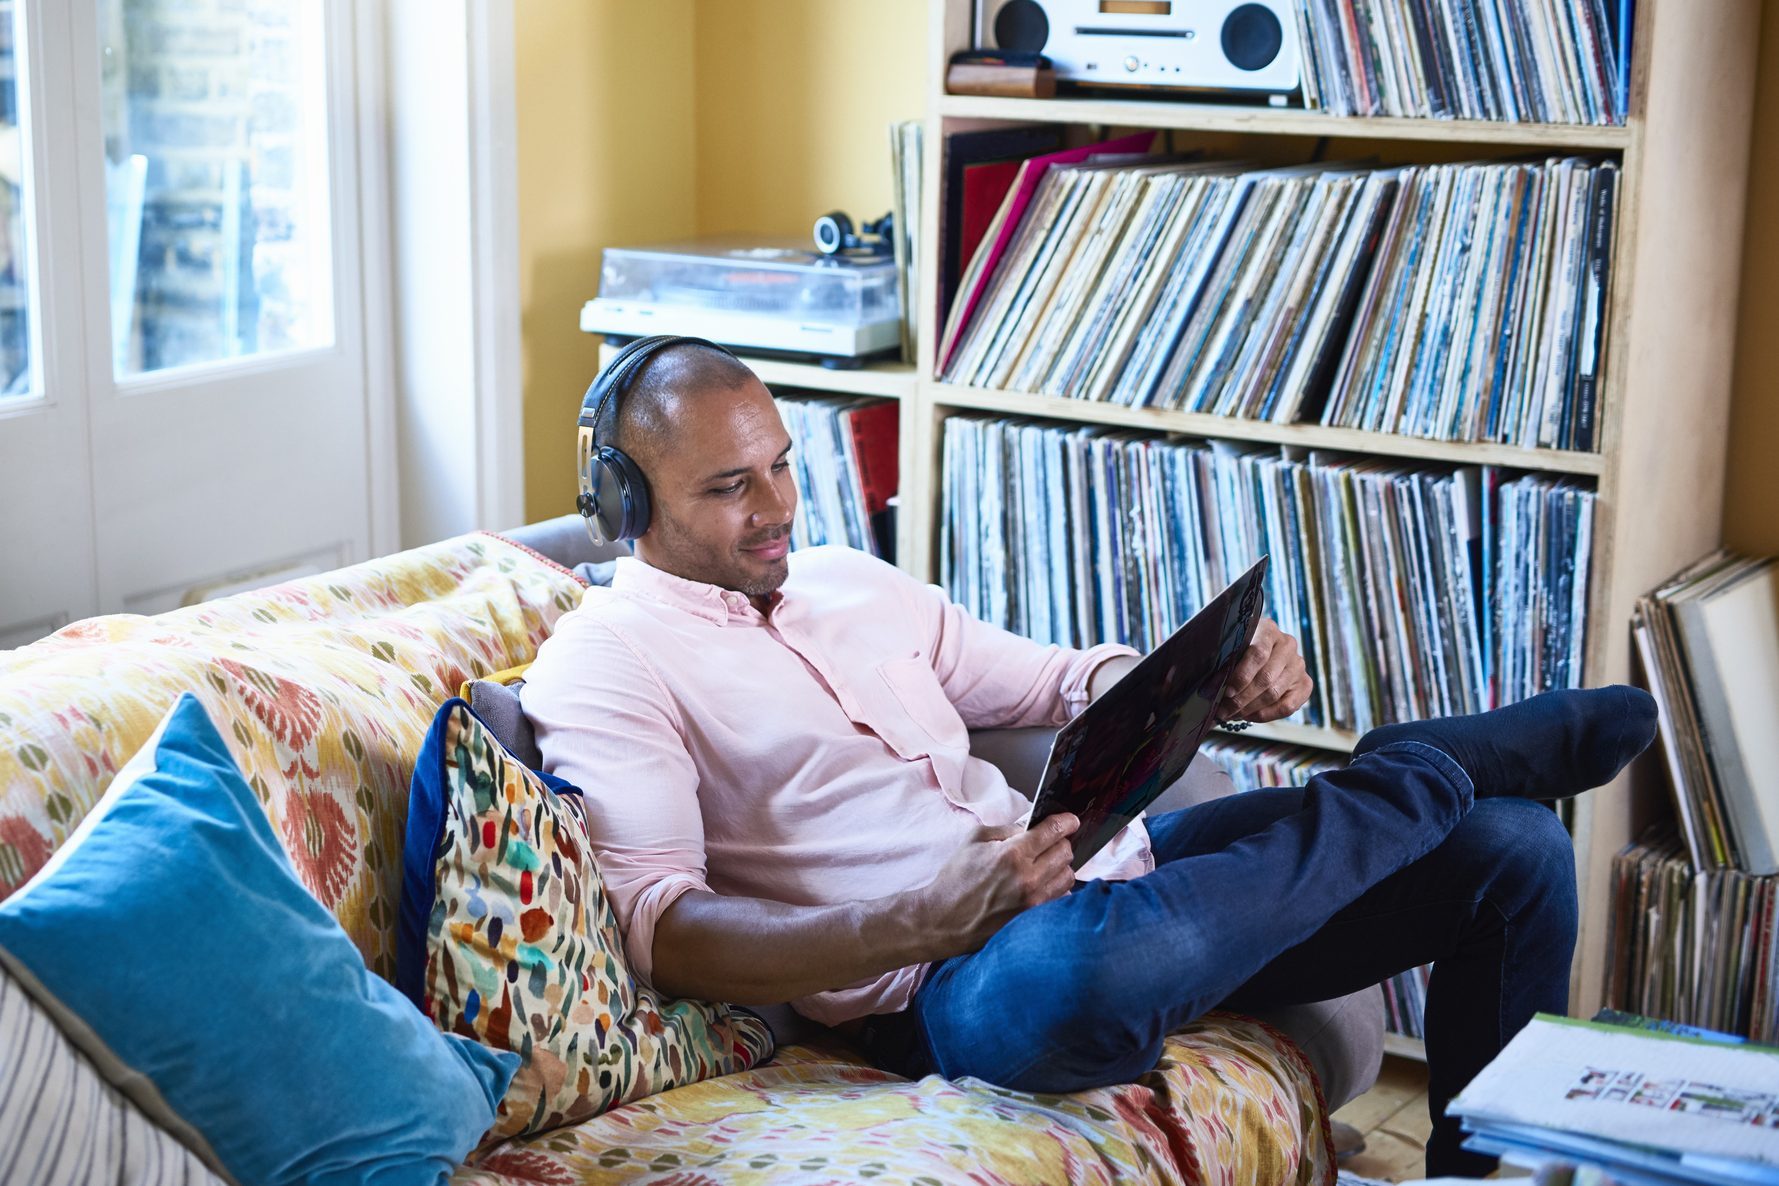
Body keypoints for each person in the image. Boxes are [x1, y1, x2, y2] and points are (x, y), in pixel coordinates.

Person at [520, 339, 1657, 1178]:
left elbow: (1062, 682)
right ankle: (1426, 770)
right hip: (950, 985)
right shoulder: (606, 660)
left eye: (777, 464)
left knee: (1517, 851)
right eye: (730, 487)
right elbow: (662, 929)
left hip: (1117, 875)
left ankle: (1481, 1157)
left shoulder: (845, 582)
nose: (775, 507)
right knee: (1082, 976)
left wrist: (1218, 684)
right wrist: (925, 917)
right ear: (626, 501)